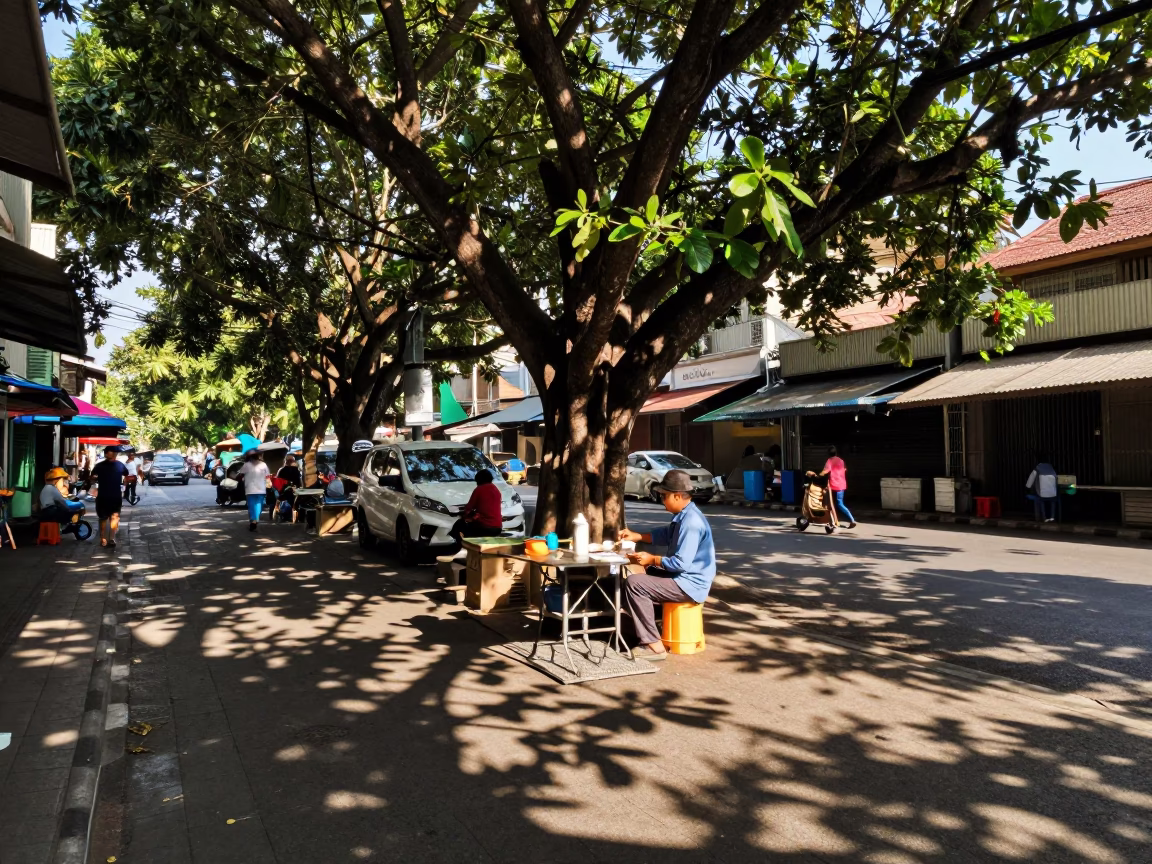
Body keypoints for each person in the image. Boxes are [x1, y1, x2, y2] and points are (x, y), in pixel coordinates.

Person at [619, 469, 716, 661]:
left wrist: (653, 559)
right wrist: (638, 536)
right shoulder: (685, 515)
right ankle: (653, 626)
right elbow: (666, 534)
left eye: (664, 496)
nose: (662, 500)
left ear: (678, 496)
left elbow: (680, 563)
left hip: (689, 585)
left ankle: (653, 645)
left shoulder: (691, 522)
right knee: (644, 573)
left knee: (635, 583)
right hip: (684, 579)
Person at [449, 469, 502, 550]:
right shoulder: (496, 490)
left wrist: (464, 514)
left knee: (459, 525)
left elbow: (469, 507)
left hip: (484, 526)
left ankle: (463, 548)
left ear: (479, 480)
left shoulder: (479, 489)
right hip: (498, 527)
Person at [90, 445, 129, 549]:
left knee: (114, 516)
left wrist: (124, 486)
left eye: (116, 452)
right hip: (103, 496)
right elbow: (92, 478)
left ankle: (111, 538)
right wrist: (93, 484)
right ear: (106, 453)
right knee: (103, 518)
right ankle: (103, 538)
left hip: (115, 496)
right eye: (112, 452)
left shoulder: (120, 465)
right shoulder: (99, 466)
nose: (115, 454)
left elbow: (126, 475)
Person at [808, 446, 856, 529]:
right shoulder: (841, 461)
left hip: (834, 485)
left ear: (828, 454)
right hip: (842, 485)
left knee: (835, 504)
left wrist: (818, 475)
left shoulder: (830, 461)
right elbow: (845, 470)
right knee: (837, 503)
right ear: (836, 453)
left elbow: (825, 471)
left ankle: (850, 520)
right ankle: (836, 521)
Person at [235, 449, 270, 531]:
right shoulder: (263, 465)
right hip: (261, 488)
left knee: (251, 506)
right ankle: (255, 520)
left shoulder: (246, 465)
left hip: (250, 489)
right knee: (259, 506)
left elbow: (240, 475)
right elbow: (268, 476)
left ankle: (253, 520)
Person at [1026, 458, 1059, 522]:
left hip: (1042, 494)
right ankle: (1052, 517)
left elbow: (1030, 481)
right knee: (1053, 502)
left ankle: (1044, 518)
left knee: (1041, 501)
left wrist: (1028, 487)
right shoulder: (1052, 469)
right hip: (1053, 494)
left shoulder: (1037, 469)